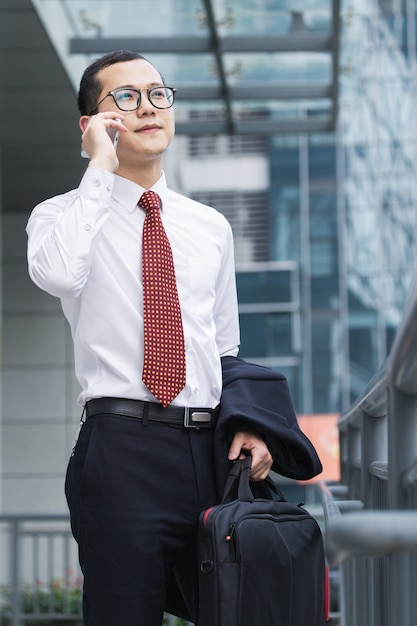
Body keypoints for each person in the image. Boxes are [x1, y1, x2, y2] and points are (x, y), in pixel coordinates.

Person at [26, 50, 276, 626]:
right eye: (126, 97)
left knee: (237, 612)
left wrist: (248, 424)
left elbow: (224, 348)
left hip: (210, 451)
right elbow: (60, 274)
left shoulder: (209, 226)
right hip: (122, 449)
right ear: (90, 124)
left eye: (158, 94)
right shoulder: (60, 217)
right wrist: (99, 169)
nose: (147, 108)